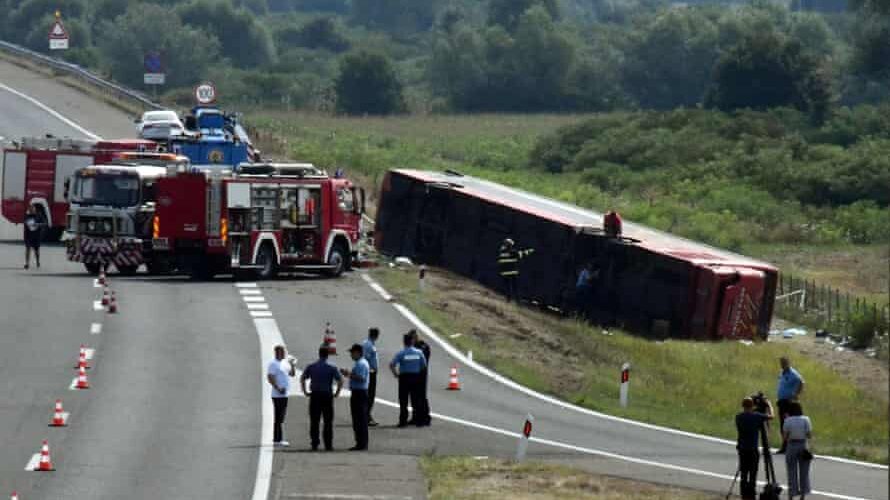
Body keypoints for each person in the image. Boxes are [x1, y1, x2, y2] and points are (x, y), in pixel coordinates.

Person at [300, 345, 343, 451]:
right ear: (327, 355)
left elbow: (302, 378)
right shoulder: (332, 367)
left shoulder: (311, 366)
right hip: (327, 396)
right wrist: (337, 392)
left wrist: (305, 391)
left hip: (315, 395)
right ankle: (328, 444)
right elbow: (340, 381)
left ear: (319, 354)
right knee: (328, 421)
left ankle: (314, 443)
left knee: (314, 421)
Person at [735, 396, 774, 500]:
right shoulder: (757, 416)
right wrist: (769, 404)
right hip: (753, 449)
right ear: (752, 406)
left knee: (744, 473)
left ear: (743, 406)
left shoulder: (738, 417)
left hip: (742, 448)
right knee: (753, 473)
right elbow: (771, 416)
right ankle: (751, 494)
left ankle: (743, 494)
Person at [390, 333, 427, 427]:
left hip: (404, 378)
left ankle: (403, 421)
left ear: (404, 342)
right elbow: (424, 365)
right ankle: (419, 421)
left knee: (403, 400)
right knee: (416, 400)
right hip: (415, 377)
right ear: (412, 341)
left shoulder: (401, 353)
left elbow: (392, 364)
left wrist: (396, 374)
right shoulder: (419, 352)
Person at [341, 344, 370, 451]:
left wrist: (349, 374)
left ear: (358, 352)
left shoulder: (361, 364)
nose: (351, 355)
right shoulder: (360, 363)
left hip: (360, 393)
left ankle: (362, 443)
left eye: (352, 353)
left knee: (359, 419)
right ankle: (360, 442)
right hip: (358, 392)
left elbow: (361, 378)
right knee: (358, 418)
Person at [267, 345, 297, 447]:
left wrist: (292, 364)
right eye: (282, 351)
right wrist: (278, 388)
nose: (284, 353)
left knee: (281, 417)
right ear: (277, 352)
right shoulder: (273, 364)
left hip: (285, 394)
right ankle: (277, 439)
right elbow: (270, 377)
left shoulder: (285, 363)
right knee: (279, 417)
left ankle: (278, 438)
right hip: (277, 394)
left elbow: (292, 374)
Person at [783, 402, 813, 499]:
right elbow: (809, 435)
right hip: (803, 445)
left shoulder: (787, 420)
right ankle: (803, 495)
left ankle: (791, 495)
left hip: (792, 445)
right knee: (804, 471)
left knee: (791, 470)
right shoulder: (806, 419)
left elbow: (785, 437)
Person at [776, 356, 805, 452]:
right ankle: (785, 445)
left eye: (784, 363)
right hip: (781, 401)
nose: (782, 365)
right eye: (781, 363)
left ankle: (791, 446)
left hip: (789, 402)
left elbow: (801, 382)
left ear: (788, 363)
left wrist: (795, 394)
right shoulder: (782, 373)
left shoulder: (793, 373)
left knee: (789, 424)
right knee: (783, 424)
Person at [496, 238, 534, 302]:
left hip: (504, 273)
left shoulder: (501, 251)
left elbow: (500, 261)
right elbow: (520, 255)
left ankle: (508, 299)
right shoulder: (511, 251)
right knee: (515, 287)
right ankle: (517, 300)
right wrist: (529, 251)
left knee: (508, 287)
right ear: (509, 245)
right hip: (512, 272)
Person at [410, 329, 432, 426]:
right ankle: (416, 417)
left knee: (421, 396)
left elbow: (422, 359)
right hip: (413, 374)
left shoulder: (423, 346)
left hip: (421, 374)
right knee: (414, 397)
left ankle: (425, 418)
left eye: (413, 338)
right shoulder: (413, 347)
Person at [362, 328, 380, 426]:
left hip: (371, 372)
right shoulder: (368, 345)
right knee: (370, 395)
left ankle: (367, 415)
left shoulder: (369, 344)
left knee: (370, 395)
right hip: (370, 372)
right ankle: (366, 416)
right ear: (376, 335)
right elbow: (366, 358)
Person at [23, 204, 42, 269]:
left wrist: (37, 224)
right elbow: (25, 222)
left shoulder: (39, 216)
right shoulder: (26, 216)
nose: (31, 210)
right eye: (30, 209)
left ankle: (37, 261)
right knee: (28, 249)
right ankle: (27, 263)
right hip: (28, 235)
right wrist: (27, 223)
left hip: (36, 236)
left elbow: (44, 223)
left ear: (35, 209)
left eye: (32, 208)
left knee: (36, 251)